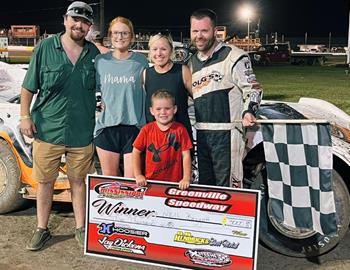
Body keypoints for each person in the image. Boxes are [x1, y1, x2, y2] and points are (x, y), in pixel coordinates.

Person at [19, 1, 100, 250]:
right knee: (45, 182)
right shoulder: (45, 48)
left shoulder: (94, 54)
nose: (79, 25)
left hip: (81, 131)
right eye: (75, 19)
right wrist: (25, 117)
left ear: (89, 27)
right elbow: (28, 87)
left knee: (79, 181)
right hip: (47, 129)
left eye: (85, 21)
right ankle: (41, 229)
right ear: (65, 20)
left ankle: (80, 228)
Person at [188, 8, 263, 188]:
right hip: (200, 137)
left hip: (227, 135)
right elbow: (189, 102)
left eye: (204, 31)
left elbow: (253, 88)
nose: (199, 36)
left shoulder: (234, 56)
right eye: (195, 31)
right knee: (204, 189)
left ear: (215, 31)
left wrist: (249, 111)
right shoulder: (189, 63)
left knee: (228, 189)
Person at [94, 16, 148, 177]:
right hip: (107, 128)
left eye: (125, 33)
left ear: (131, 36)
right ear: (110, 36)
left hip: (134, 128)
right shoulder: (100, 61)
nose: (120, 37)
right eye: (116, 33)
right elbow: (93, 90)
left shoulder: (140, 61)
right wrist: (96, 103)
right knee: (110, 182)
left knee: (132, 182)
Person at [132, 90, 193, 190]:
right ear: (152, 111)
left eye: (167, 108)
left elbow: (186, 155)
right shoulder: (146, 130)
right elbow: (136, 152)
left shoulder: (180, 130)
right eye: (158, 109)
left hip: (175, 185)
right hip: (150, 183)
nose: (163, 112)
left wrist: (186, 178)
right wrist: (138, 175)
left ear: (174, 109)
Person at [144, 33, 193, 140]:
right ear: (150, 51)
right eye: (155, 49)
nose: (159, 53)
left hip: (180, 139)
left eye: (163, 49)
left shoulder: (183, 71)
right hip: (154, 140)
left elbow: (199, 100)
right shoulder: (145, 74)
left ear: (171, 50)